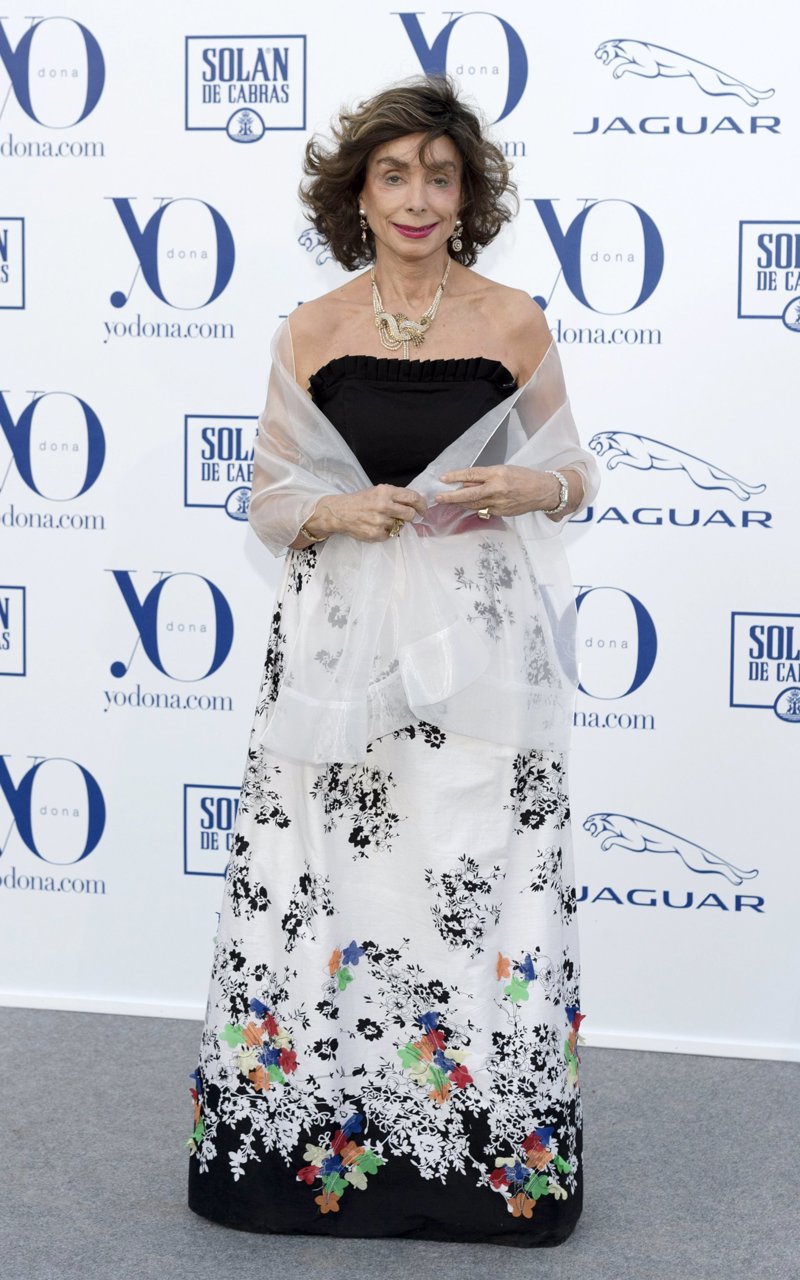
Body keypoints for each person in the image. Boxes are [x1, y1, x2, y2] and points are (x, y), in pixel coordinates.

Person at [187, 74, 600, 1248]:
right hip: (339, 650)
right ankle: (307, 1156)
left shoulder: (512, 322)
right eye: (393, 175)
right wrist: (333, 511)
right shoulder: (310, 329)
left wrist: (531, 484)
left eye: (438, 177)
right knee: (330, 878)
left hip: (477, 647)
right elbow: (268, 497)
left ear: (466, 196)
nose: (416, 198)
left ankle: (480, 1165)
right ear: (357, 194)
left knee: (470, 872)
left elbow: (577, 471)